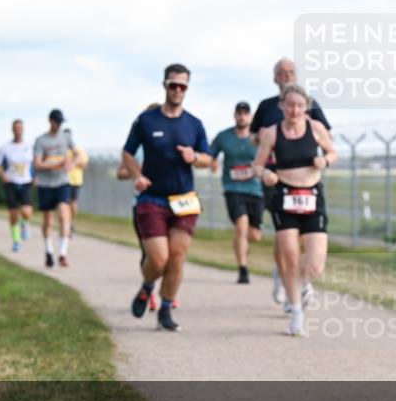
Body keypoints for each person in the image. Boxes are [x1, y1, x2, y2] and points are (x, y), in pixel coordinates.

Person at [122, 64, 212, 330]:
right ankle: (147, 286)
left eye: (182, 86)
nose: (177, 90)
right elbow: (127, 153)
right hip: (153, 199)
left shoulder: (194, 124)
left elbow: (207, 158)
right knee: (158, 259)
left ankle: (165, 310)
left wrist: (194, 157)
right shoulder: (147, 120)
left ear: (187, 89)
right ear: (164, 85)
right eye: (173, 84)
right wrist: (137, 174)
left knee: (177, 257)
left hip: (184, 199)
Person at [252, 84, 337, 336]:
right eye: (289, 105)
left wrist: (325, 160)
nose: (294, 110)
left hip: (312, 196)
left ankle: (304, 284)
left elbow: (333, 152)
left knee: (315, 263)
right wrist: (265, 172)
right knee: (289, 257)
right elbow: (256, 165)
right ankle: (296, 313)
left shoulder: (316, 128)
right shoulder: (271, 133)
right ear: (282, 106)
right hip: (285, 196)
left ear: (305, 107)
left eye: (299, 105)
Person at [210, 101, 264, 284]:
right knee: (241, 224)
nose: (242, 116)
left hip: (255, 189)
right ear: (234, 115)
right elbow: (211, 155)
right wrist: (213, 163)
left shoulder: (258, 138)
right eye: (239, 113)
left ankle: (242, 244)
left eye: (245, 113)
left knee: (254, 235)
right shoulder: (224, 137)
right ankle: (243, 269)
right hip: (233, 188)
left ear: (250, 116)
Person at [33, 109, 75, 267]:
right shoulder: (41, 141)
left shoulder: (66, 138)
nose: (59, 125)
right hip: (46, 184)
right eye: (57, 122)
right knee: (47, 220)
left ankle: (63, 253)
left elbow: (77, 154)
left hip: (62, 182)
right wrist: (56, 164)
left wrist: (73, 163)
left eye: (61, 122)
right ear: (50, 121)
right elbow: (37, 164)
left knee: (65, 216)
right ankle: (49, 251)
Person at [0, 119, 35, 252]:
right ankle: (16, 240)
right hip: (11, 181)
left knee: (27, 212)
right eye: (16, 128)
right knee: (13, 213)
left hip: (26, 181)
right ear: (12, 130)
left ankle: (25, 224)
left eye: (20, 128)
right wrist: (3, 175)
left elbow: (36, 163)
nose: (18, 130)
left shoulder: (29, 146)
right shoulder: (5, 147)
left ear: (23, 130)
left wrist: (36, 176)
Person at [64, 127, 88, 234]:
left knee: (73, 203)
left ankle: (71, 222)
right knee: (64, 204)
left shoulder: (78, 149)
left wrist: (75, 162)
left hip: (75, 180)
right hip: (63, 180)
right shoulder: (60, 150)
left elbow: (84, 164)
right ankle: (65, 223)